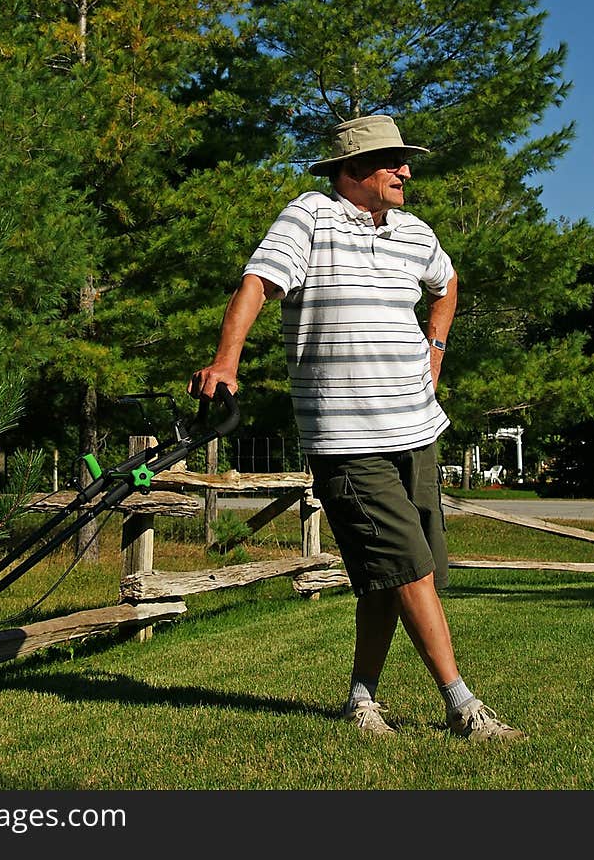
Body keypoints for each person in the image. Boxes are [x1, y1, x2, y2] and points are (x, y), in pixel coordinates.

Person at [191, 114, 524, 742]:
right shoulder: (309, 217)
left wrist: (437, 349)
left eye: (405, 161)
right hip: (347, 436)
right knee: (406, 566)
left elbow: (447, 283)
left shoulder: (414, 233)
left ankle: (361, 701)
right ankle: (464, 707)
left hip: (416, 427)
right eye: (392, 161)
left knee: (389, 575)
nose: (406, 172)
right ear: (354, 170)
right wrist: (227, 362)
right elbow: (258, 284)